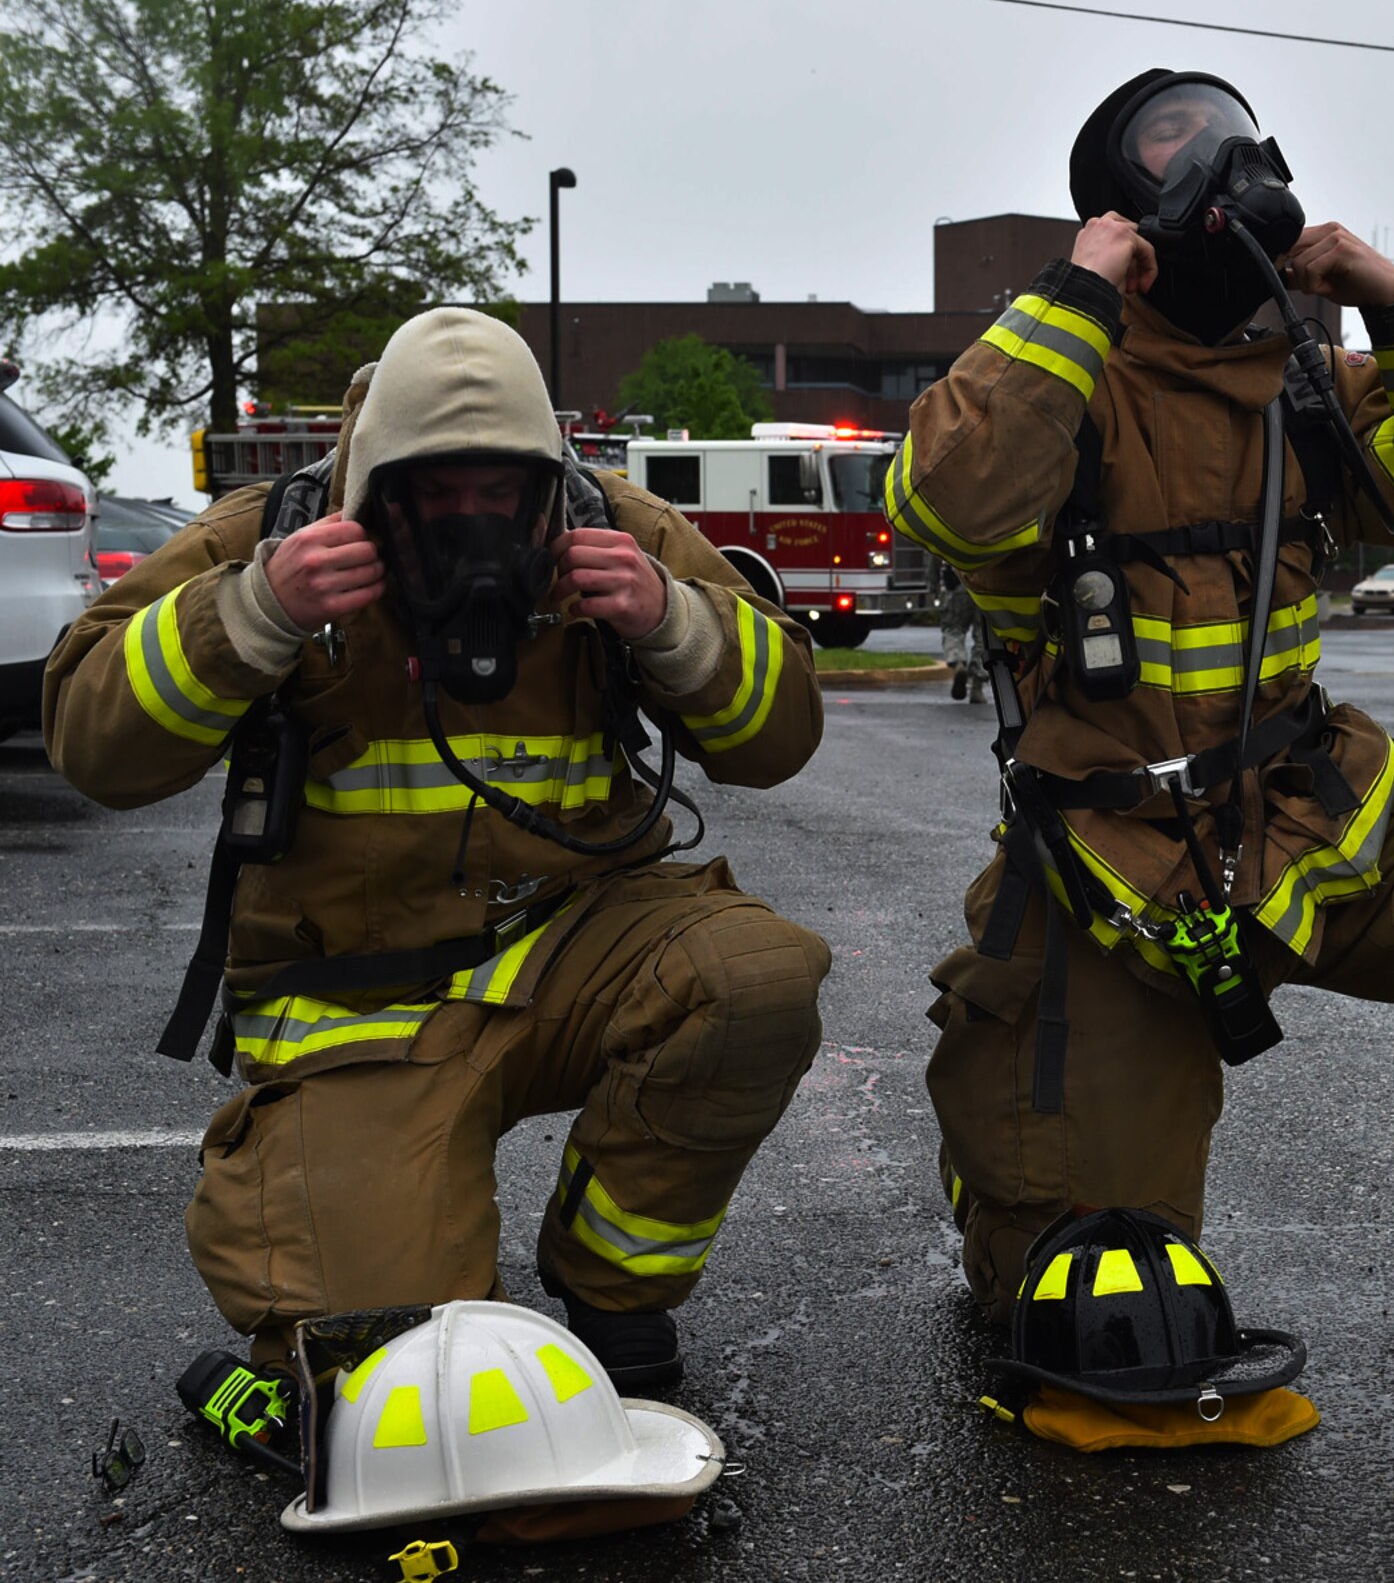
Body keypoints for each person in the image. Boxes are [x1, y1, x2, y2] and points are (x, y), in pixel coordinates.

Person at [889, 71, 1394, 1380]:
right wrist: (1078, 293)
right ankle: (1015, 1165)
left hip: (1306, 812)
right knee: (1089, 1300)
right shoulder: (1054, 375)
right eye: (1173, 142)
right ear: (1122, 206)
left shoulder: (1307, 388)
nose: (1218, 158)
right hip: (1111, 867)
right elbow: (953, 504)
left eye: (1228, 130)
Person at [44, 308, 832, 1400]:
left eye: (497, 493)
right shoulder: (272, 532)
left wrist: (671, 621)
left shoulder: (613, 525)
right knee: (401, 1377)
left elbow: (779, 738)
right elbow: (92, 746)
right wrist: (256, 610)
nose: (472, 523)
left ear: (542, 479)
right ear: (374, 488)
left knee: (754, 975)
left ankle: (612, 1294)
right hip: (355, 1004)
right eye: (435, 495)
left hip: (569, 952)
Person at [937, 565, 990, 704]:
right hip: (985, 586)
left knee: (953, 630)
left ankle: (958, 661)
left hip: (956, 584)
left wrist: (933, 585)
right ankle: (977, 688)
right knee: (983, 636)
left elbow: (933, 555)